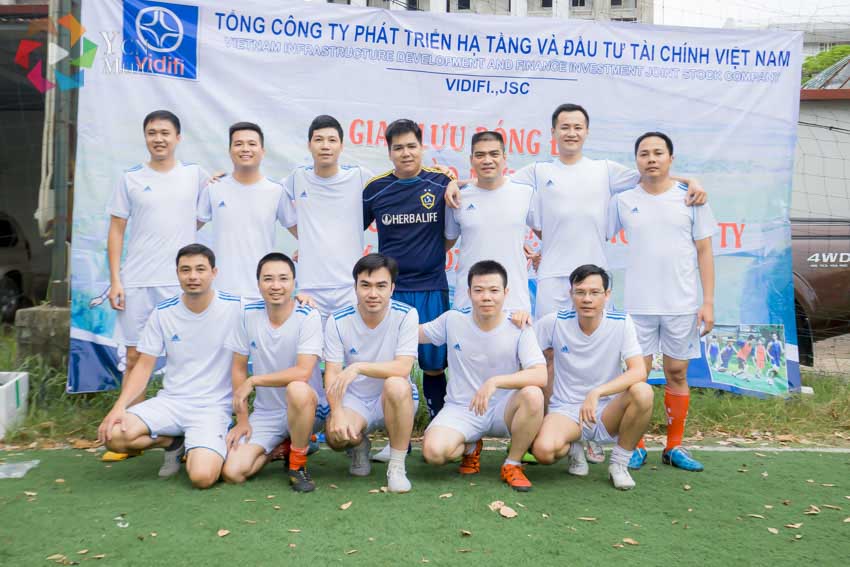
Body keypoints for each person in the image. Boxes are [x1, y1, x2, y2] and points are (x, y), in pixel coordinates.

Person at [103, 110, 209, 462]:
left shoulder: (195, 175)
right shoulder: (130, 178)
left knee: (186, 356)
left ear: (178, 137)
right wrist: (116, 280)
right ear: (145, 137)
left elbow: (207, 212)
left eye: (165, 132)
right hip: (137, 281)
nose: (158, 138)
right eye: (152, 132)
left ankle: (190, 432)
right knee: (135, 357)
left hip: (180, 282)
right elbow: (116, 229)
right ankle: (130, 428)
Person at [608, 131, 716, 473]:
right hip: (638, 304)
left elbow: (704, 251)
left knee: (676, 371)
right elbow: (595, 232)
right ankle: (634, 446)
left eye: (658, 152)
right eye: (644, 153)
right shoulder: (623, 200)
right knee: (636, 376)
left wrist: (708, 302)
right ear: (636, 160)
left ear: (671, 158)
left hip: (681, 303)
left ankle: (674, 446)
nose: (651, 159)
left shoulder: (691, 198)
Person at [96, 244, 241, 488]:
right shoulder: (163, 312)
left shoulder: (236, 307)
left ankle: (206, 443)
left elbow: (274, 309)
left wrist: (301, 300)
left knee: (202, 477)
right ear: (177, 273)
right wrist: (119, 407)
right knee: (114, 435)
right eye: (185, 270)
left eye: (200, 269)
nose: (192, 276)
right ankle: (172, 442)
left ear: (214, 273)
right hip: (171, 403)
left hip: (211, 408)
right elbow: (144, 367)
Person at [362, 119, 460, 430]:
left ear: (422, 147)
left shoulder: (441, 183)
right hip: (392, 291)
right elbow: (348, 228)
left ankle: (440, 428)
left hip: (431, 286)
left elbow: (476, 194)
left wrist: (455, 181)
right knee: (393, 367)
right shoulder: (375, 189)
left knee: (434, 365)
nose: (406, 153)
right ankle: (396, 437)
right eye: (398, 148)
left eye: (411, 146)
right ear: (389, 152)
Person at [420, 260, 546, 491]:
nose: (486, 297)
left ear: (506, 292)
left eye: (494, 290)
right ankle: (470, 447)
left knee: (533, 394)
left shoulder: (519, 326)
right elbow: (413, 333)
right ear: (469, 293)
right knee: (433, 453)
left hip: (504, 410)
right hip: (462, 408)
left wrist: (495, 382)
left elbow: (540, 375)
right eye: (478, 290)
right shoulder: (452, 320)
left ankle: (512, 463)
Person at [531, 264, 651, 490]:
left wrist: (597, 392)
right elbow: (526, 354)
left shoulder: (621, 322)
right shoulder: (554, 322)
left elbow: (639, 371)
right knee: (543, 452)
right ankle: (574, 446)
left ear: (607, 295)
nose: (587, 299)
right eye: (580, 292)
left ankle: (619, 464)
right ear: (571, 294)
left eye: (595, 292)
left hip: (606, 410)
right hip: (566, 410)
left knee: (643, 391)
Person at [221, 253, 324, 492]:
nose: (276, 286)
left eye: (283, 279)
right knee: (233, 472)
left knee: (297, 389)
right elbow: (238, 368)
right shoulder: (247, 315)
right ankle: (283, 448)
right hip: (267, 412)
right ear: (258, 284)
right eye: (268, 279)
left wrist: (255, 380)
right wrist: (242, 420)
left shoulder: (308, 315)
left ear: (294, 283)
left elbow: (303, 372)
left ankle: (297, 465)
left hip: (308, 409)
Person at [323, 253, 419, 493]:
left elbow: (403, 367)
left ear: (392, 288)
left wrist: (358, 367)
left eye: (381, 286)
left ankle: (397, 466)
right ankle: (359, 445)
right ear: (355, 287)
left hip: (395, 397)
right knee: (335, 436)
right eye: (365, 285)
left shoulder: (407, 315)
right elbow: (332, 373)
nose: (373, 293)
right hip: (356, 399)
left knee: (396, 384)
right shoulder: (337, 320)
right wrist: (337, 412)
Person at [278, 115, 373, 327]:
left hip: (350, 286)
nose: (325, 146)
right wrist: (306, 240)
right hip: (310, 288)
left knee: (350, 347)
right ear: (309, 145)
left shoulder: (360, 176)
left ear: (341, 146)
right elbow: (265, 191)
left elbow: (394, 186)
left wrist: (447, 177)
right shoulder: (297, 177)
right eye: (319, 140)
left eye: (332, 140)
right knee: (309, 347)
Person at [444, 132, 536, 313]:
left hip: (514, 304)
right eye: (480, 155)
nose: (487, 160)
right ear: (471, 160)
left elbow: (548, 231)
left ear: (504, 158)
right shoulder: (457, 197)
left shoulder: (526, 193)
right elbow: (445, 244)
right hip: (468, 302)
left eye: (494, 154)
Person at [198, 122, 288, 298]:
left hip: (262, 292)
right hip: (221, 292)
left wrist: (304, 251)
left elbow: (302, 232)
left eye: (252, 144)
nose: (245, 149)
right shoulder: (214, 188)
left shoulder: (276, 191)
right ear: (230, 150)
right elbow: (187, 228)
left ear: (263, 151)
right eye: (238, 144)